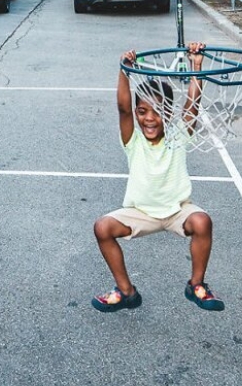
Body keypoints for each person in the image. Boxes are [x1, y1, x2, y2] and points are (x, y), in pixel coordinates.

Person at [92, 43, 224, 313]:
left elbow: (192, 104)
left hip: (177, 211)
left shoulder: (178, 135)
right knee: (102, 228)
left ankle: (196, 285)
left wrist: (196, 63)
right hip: (142, 212)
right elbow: (123, 109)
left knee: (202, 222)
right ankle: (126, 291)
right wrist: (124, 71)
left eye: (157, 112)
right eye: (143, 112)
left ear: (168, 113)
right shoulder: (133, 141)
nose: (149, 119)